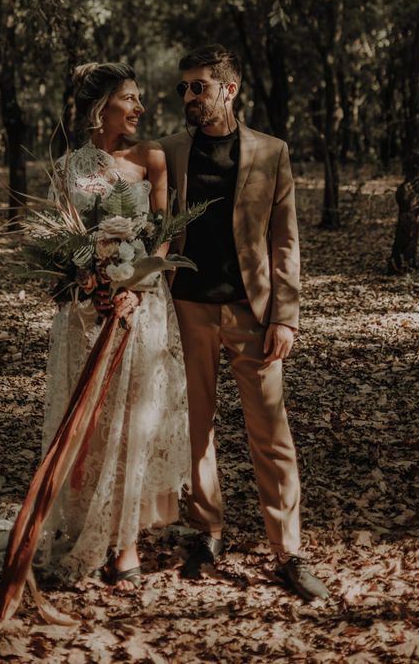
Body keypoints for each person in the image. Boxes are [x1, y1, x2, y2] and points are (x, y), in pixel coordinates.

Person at [0, 62, 190, 592]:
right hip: (85, 309)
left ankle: (127, 544)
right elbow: (61, 242)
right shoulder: (68, 166)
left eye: (139, 99)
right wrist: (88, 279)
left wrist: (137, 284)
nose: (139, 108)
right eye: (129, 99)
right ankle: (88, 526)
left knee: (133, 419)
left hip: (142, 306)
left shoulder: (152, 159)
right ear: (101, 107)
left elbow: (166, 235)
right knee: (91, 421)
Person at [158, 44, 329, 600]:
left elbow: (286, 242)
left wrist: (287, 316)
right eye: (183, 87)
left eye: (197, 87)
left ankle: (290, 551)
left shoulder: (271, 152)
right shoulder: (170, 153)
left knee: (271, 434)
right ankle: (207, 533)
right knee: (197, 429)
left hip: (252, 315)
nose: (188, 96)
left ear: (228, 90)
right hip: (187, 308)